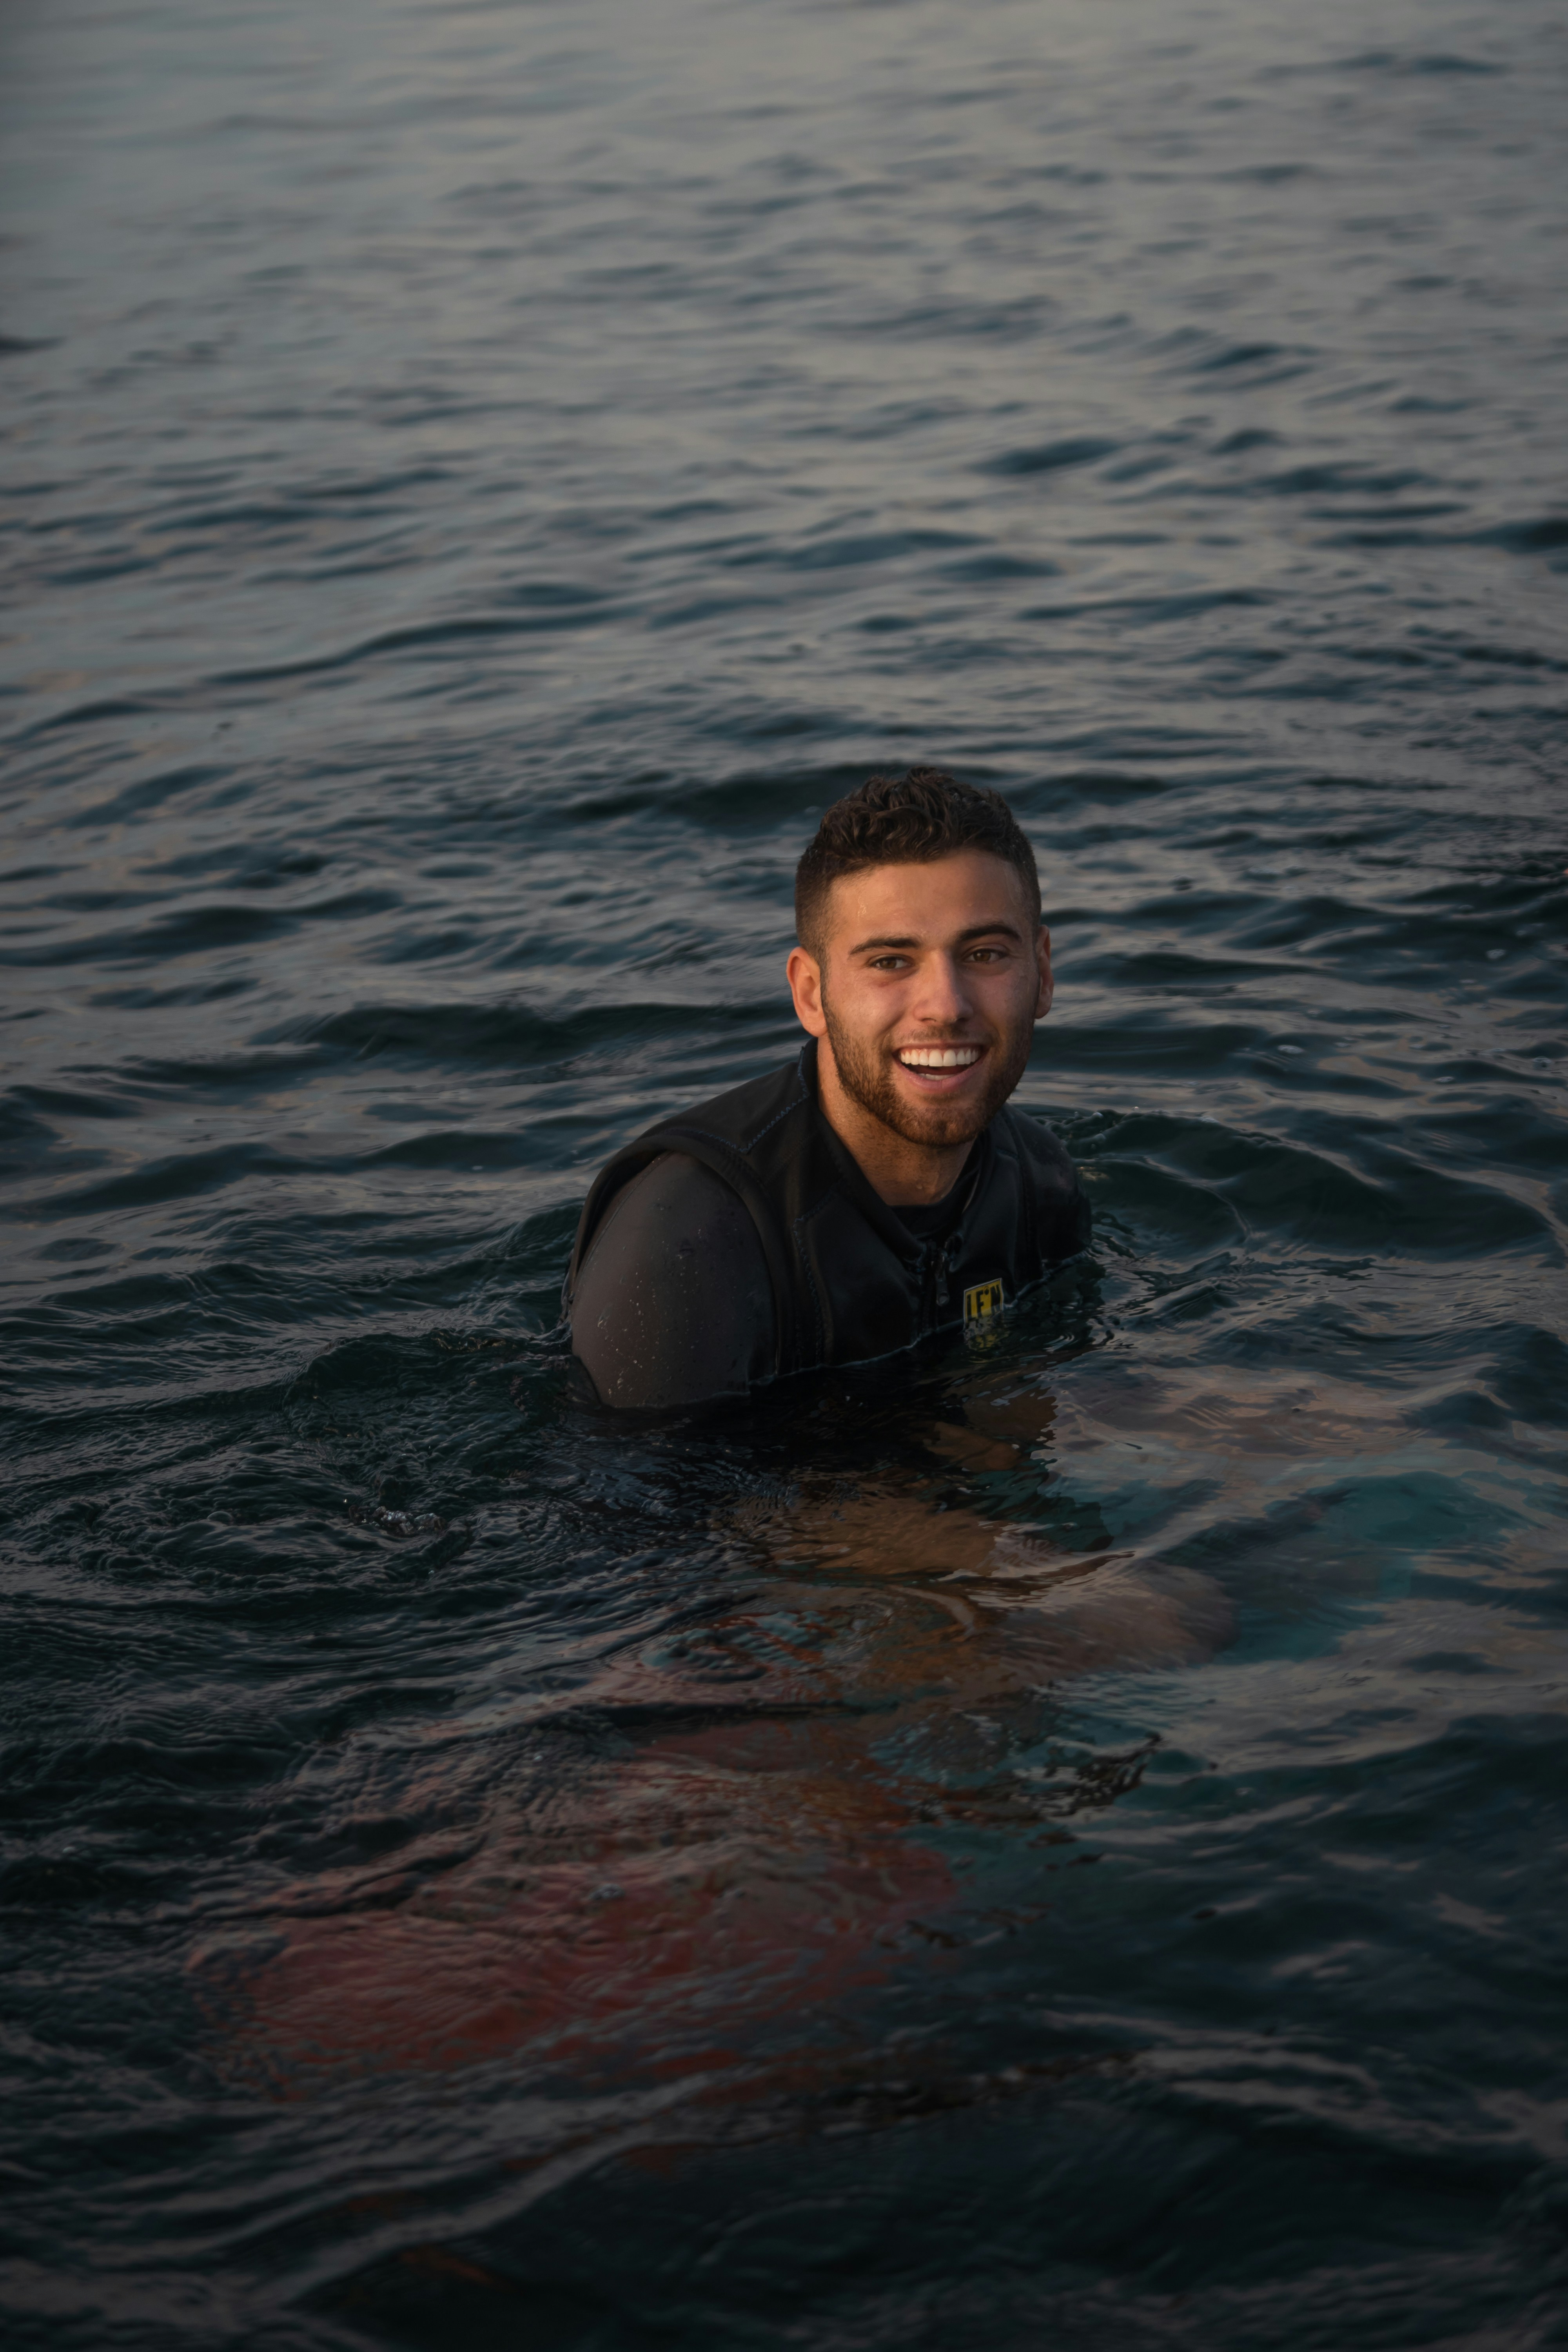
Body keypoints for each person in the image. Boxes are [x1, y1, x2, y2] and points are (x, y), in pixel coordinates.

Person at [566, 766, 1091, 1410]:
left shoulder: (1041, 1184)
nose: (946, 1005)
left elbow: (1066, 1385)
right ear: (811, 994)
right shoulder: (695, 1237)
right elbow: (627, 1503)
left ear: (1041, 973)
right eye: (890, 962)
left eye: (984, 954)